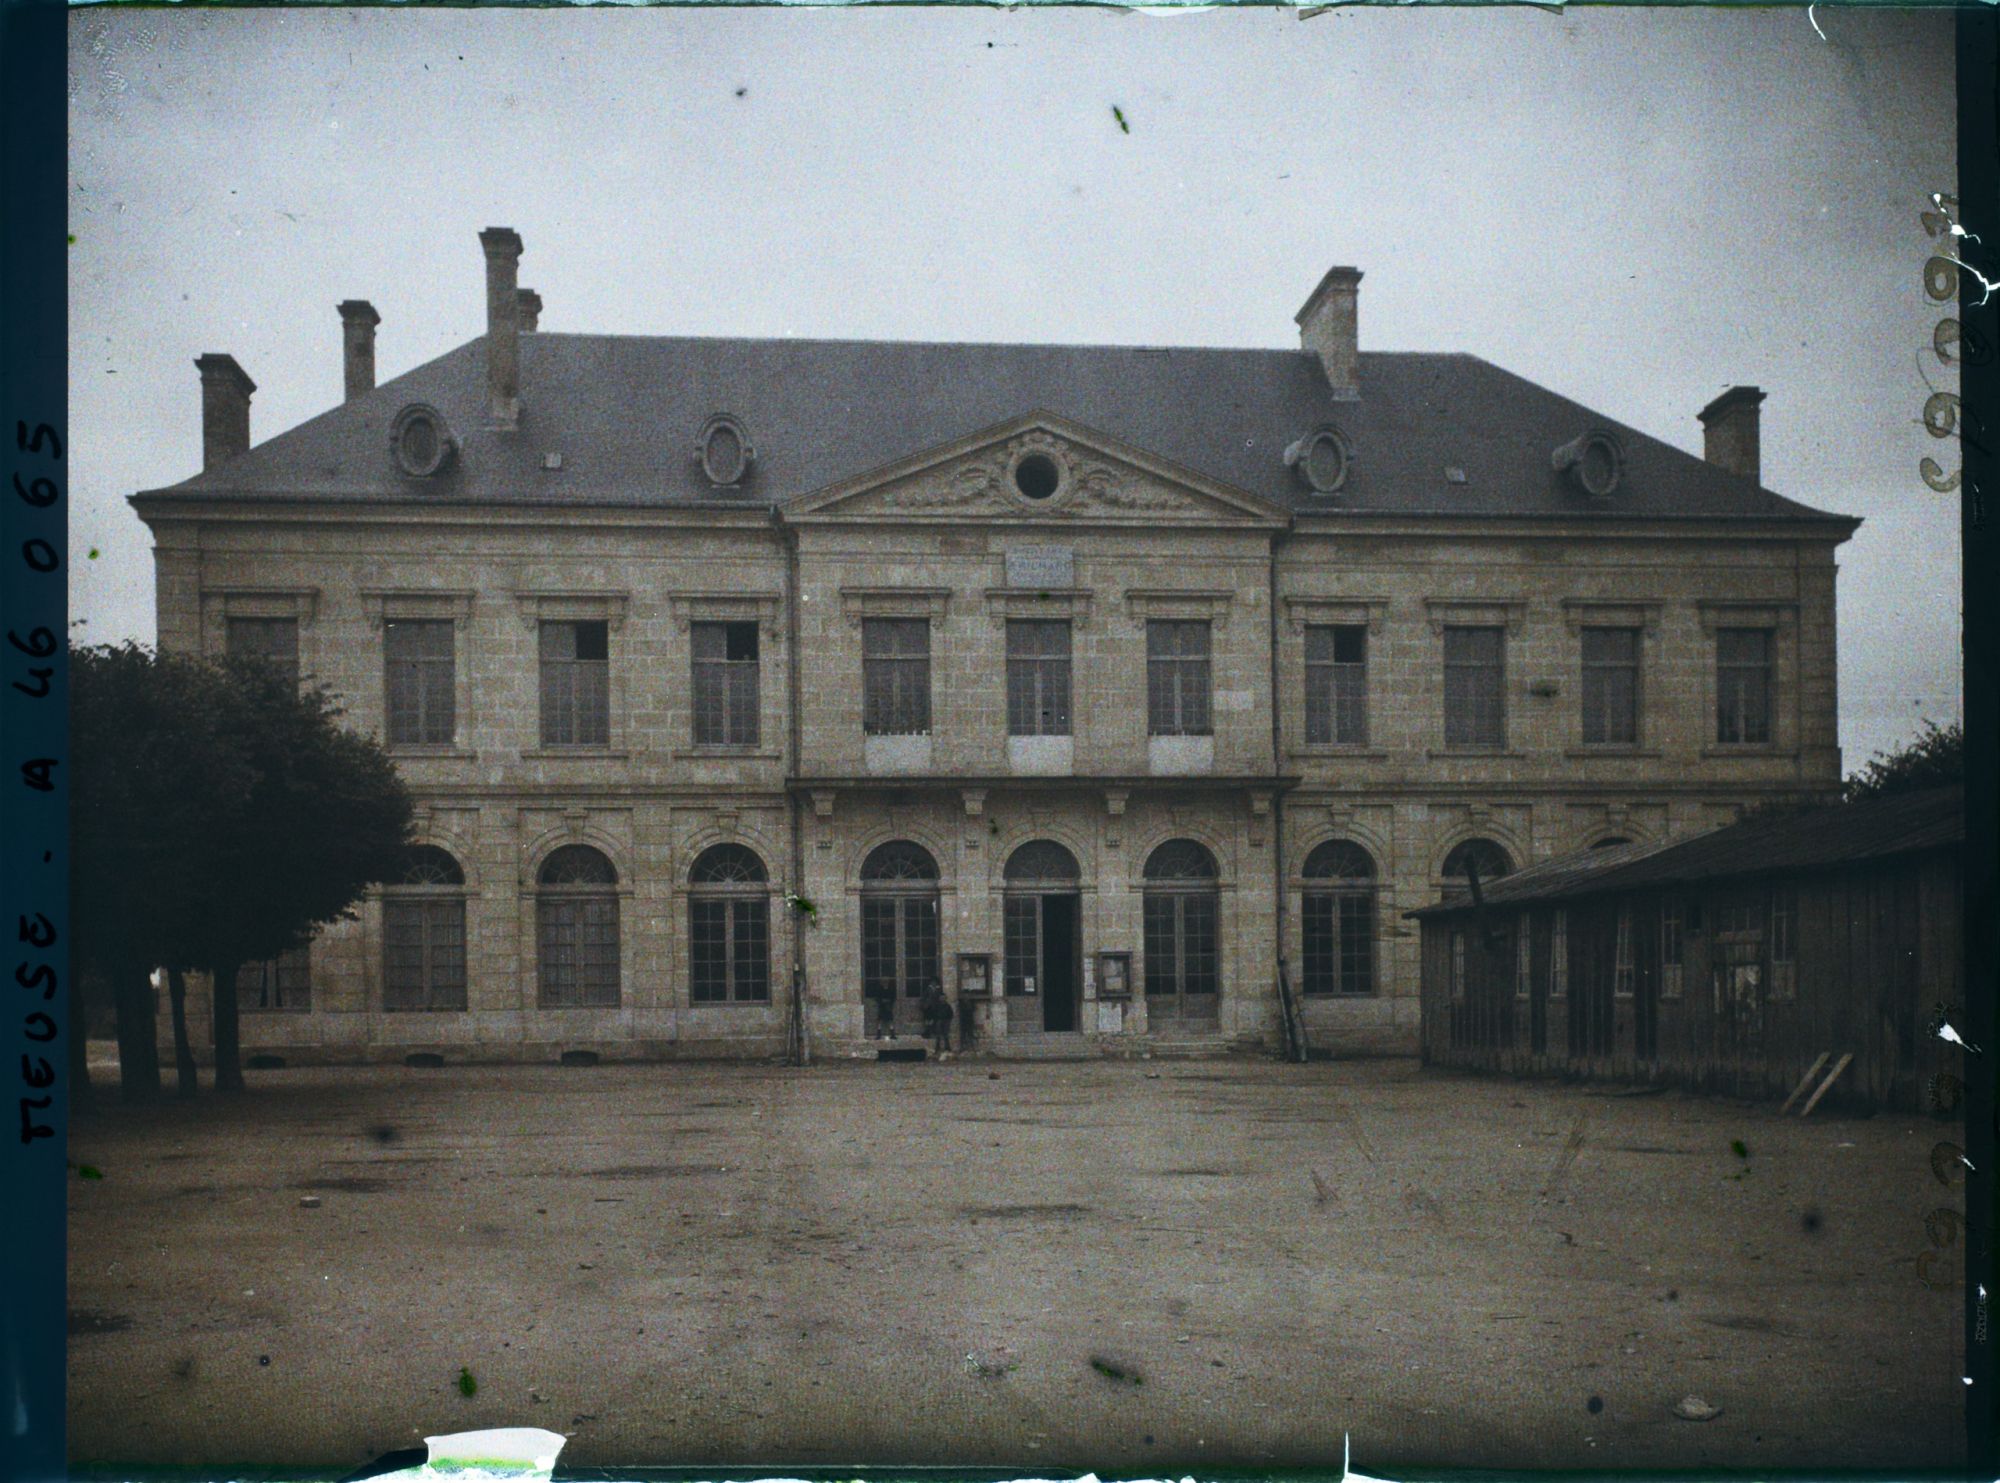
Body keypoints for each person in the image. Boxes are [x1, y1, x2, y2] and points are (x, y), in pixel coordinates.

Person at [920, 979, 952, 1054]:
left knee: (943, 1032)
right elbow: (924, 998)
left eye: (935, 982)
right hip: (929, 1008)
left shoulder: (939, 991)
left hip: (937, 1010)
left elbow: (950, 1014)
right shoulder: (927, 989)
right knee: (929, 1020)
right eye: (932, 982)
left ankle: (946, 1046)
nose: (933, 983)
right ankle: (928, 1032)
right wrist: (925, 1004)